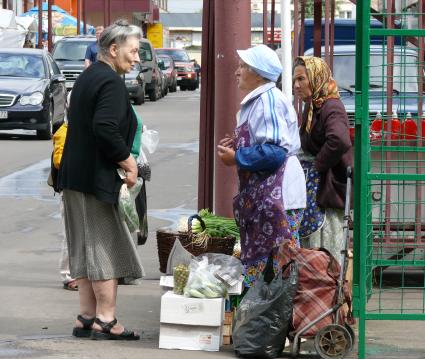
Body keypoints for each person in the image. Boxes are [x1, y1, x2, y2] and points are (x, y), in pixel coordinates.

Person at [58, 19, 144, 341]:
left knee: (83, 246)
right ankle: (107, 321)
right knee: (104, 247)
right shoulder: (109, 82)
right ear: (113, 49)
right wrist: (129, 161)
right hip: (96, 179)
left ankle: (86, 316)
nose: (136, 58)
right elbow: (105, 127)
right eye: (133, 51)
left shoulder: (87, 77)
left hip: (74, 177)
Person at [217, 44, 306, 287]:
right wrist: (238, 145)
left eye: (242, 67)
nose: (237, 71)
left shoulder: (268, 101)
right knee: (269, 267)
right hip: (266, 197)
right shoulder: (257, 102)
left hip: (278, 197)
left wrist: (236, 157)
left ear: (258, 74)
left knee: (281, 263)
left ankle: (279, 320)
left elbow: (275, 151)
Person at [293, 56, 353, 264]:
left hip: (329, 187)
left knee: (326, 245)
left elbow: (339, 139)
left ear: (316, 78)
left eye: (301, 79)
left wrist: (317, 166)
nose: (296, 85)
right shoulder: (313, 106)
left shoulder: (331, 106)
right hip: (318, 187)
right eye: (295, 80)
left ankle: (328, 288)